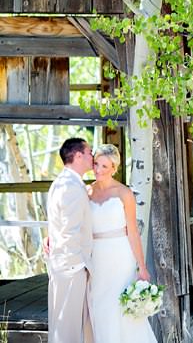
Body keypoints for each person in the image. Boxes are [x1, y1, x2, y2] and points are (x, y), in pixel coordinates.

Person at [86, 144, 158, 343]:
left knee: (120, 307)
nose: (99, 170)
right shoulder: (86, 191)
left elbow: (133, 232)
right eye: (96, 164)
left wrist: (142, 267)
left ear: (114, 169)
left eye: (105, 166)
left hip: (120, 255)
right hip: (96, 256)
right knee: (98, 305)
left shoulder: (124, 193)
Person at [46, 137, 95, 343]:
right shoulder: (70, 187)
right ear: (78, 155)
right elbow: (69, 232)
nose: (92, 156)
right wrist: (79, 266)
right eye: (89, 152)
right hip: (70, 267)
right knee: (68, 329)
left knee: (71, 326)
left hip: (65, 265)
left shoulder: (63, 182)